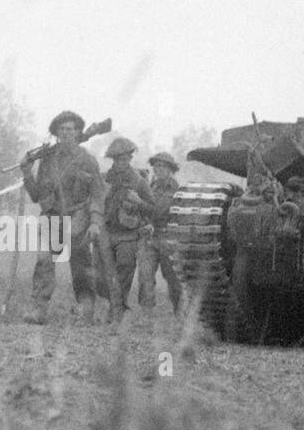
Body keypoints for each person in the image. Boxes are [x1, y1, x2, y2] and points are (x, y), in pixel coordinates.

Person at [20, 111, 105, 325]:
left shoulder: (87, 160)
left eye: (71, 129)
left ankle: (86, 310)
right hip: (52, 217)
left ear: (78, 132)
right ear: (57, 133)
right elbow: (37, 194)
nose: (67, 133)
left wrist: (94, 222)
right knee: (44, 261)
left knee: (81, 266)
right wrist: (27, 173)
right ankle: (38, 308)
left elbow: (97, 194)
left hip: (78, 217)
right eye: (62, 129)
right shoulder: (47, 159)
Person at [97, 137, 155, 322]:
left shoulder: (139, 181)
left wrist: (139, 201)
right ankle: (112, 305)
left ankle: (117, 310)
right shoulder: (104, 179)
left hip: (128, 236)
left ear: (130, 158)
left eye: (125, 159)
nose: (122, 162)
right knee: (100, 275)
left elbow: (153, 209)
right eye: (118, 159)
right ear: (113, 160)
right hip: (105, 233)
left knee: (124, 273)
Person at [136, 151, 183, 314]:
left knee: (172, 277)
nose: (160, 169)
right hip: (149, 237)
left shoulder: (178, 190)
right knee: (145, 274)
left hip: (169, 238)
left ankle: (178, 309)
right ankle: (146, 311)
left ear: (171, 169)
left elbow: (176, 215)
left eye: (164, 166)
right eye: (157, 166)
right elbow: (142, 212)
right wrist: (144, 223)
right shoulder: (149, 188)